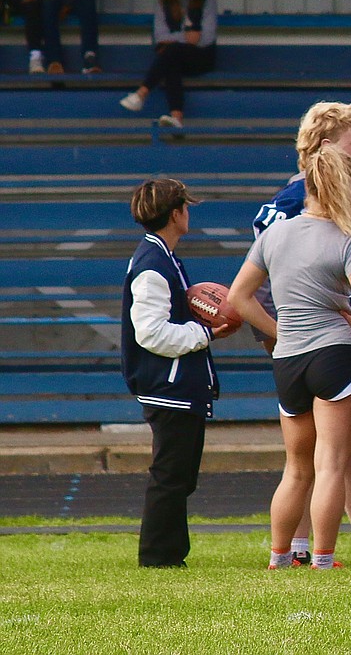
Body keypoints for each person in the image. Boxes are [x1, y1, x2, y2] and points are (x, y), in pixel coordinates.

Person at [230, 145, 351, 571]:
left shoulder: (275, 234)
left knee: (296, 467)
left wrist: (280, 333)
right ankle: (323, 558)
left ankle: (279, 556)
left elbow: (239, 296)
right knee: (331, 462)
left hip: (290, 359)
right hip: (335, 354)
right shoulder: (348, 237)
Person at [122, 178, 235, 567]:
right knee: (170, 474)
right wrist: (204, 332)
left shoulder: (164, 257)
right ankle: (159, 556)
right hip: (166, 385)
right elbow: (150, 332)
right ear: (175, 214)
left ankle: (170, 552)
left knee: (180, 474)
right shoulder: (153, 265)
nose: (189, 213)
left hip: (176, 384)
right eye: (186, 207)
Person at [118, 0, 217, 131]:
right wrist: (185, 38)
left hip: (202, 56)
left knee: (171, 52)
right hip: (176, 56)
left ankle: (142, 93)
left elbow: (207, 38)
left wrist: (177, 40)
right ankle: (176, 117)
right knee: (172, 59)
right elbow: (160, 35)